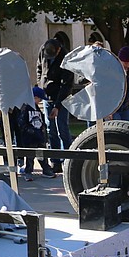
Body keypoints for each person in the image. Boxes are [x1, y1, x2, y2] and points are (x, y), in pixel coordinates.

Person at [37, 37, 74, 177]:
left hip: (62, 98)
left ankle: (69, 161)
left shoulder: (66, 58)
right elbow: (39, 67)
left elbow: (66, 85)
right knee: (50, 129)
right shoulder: (44, 49)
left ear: (58, 50)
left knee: (62, 129)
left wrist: (57, 106)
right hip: (47, 95)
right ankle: (55, 161)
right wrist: (40, 85)